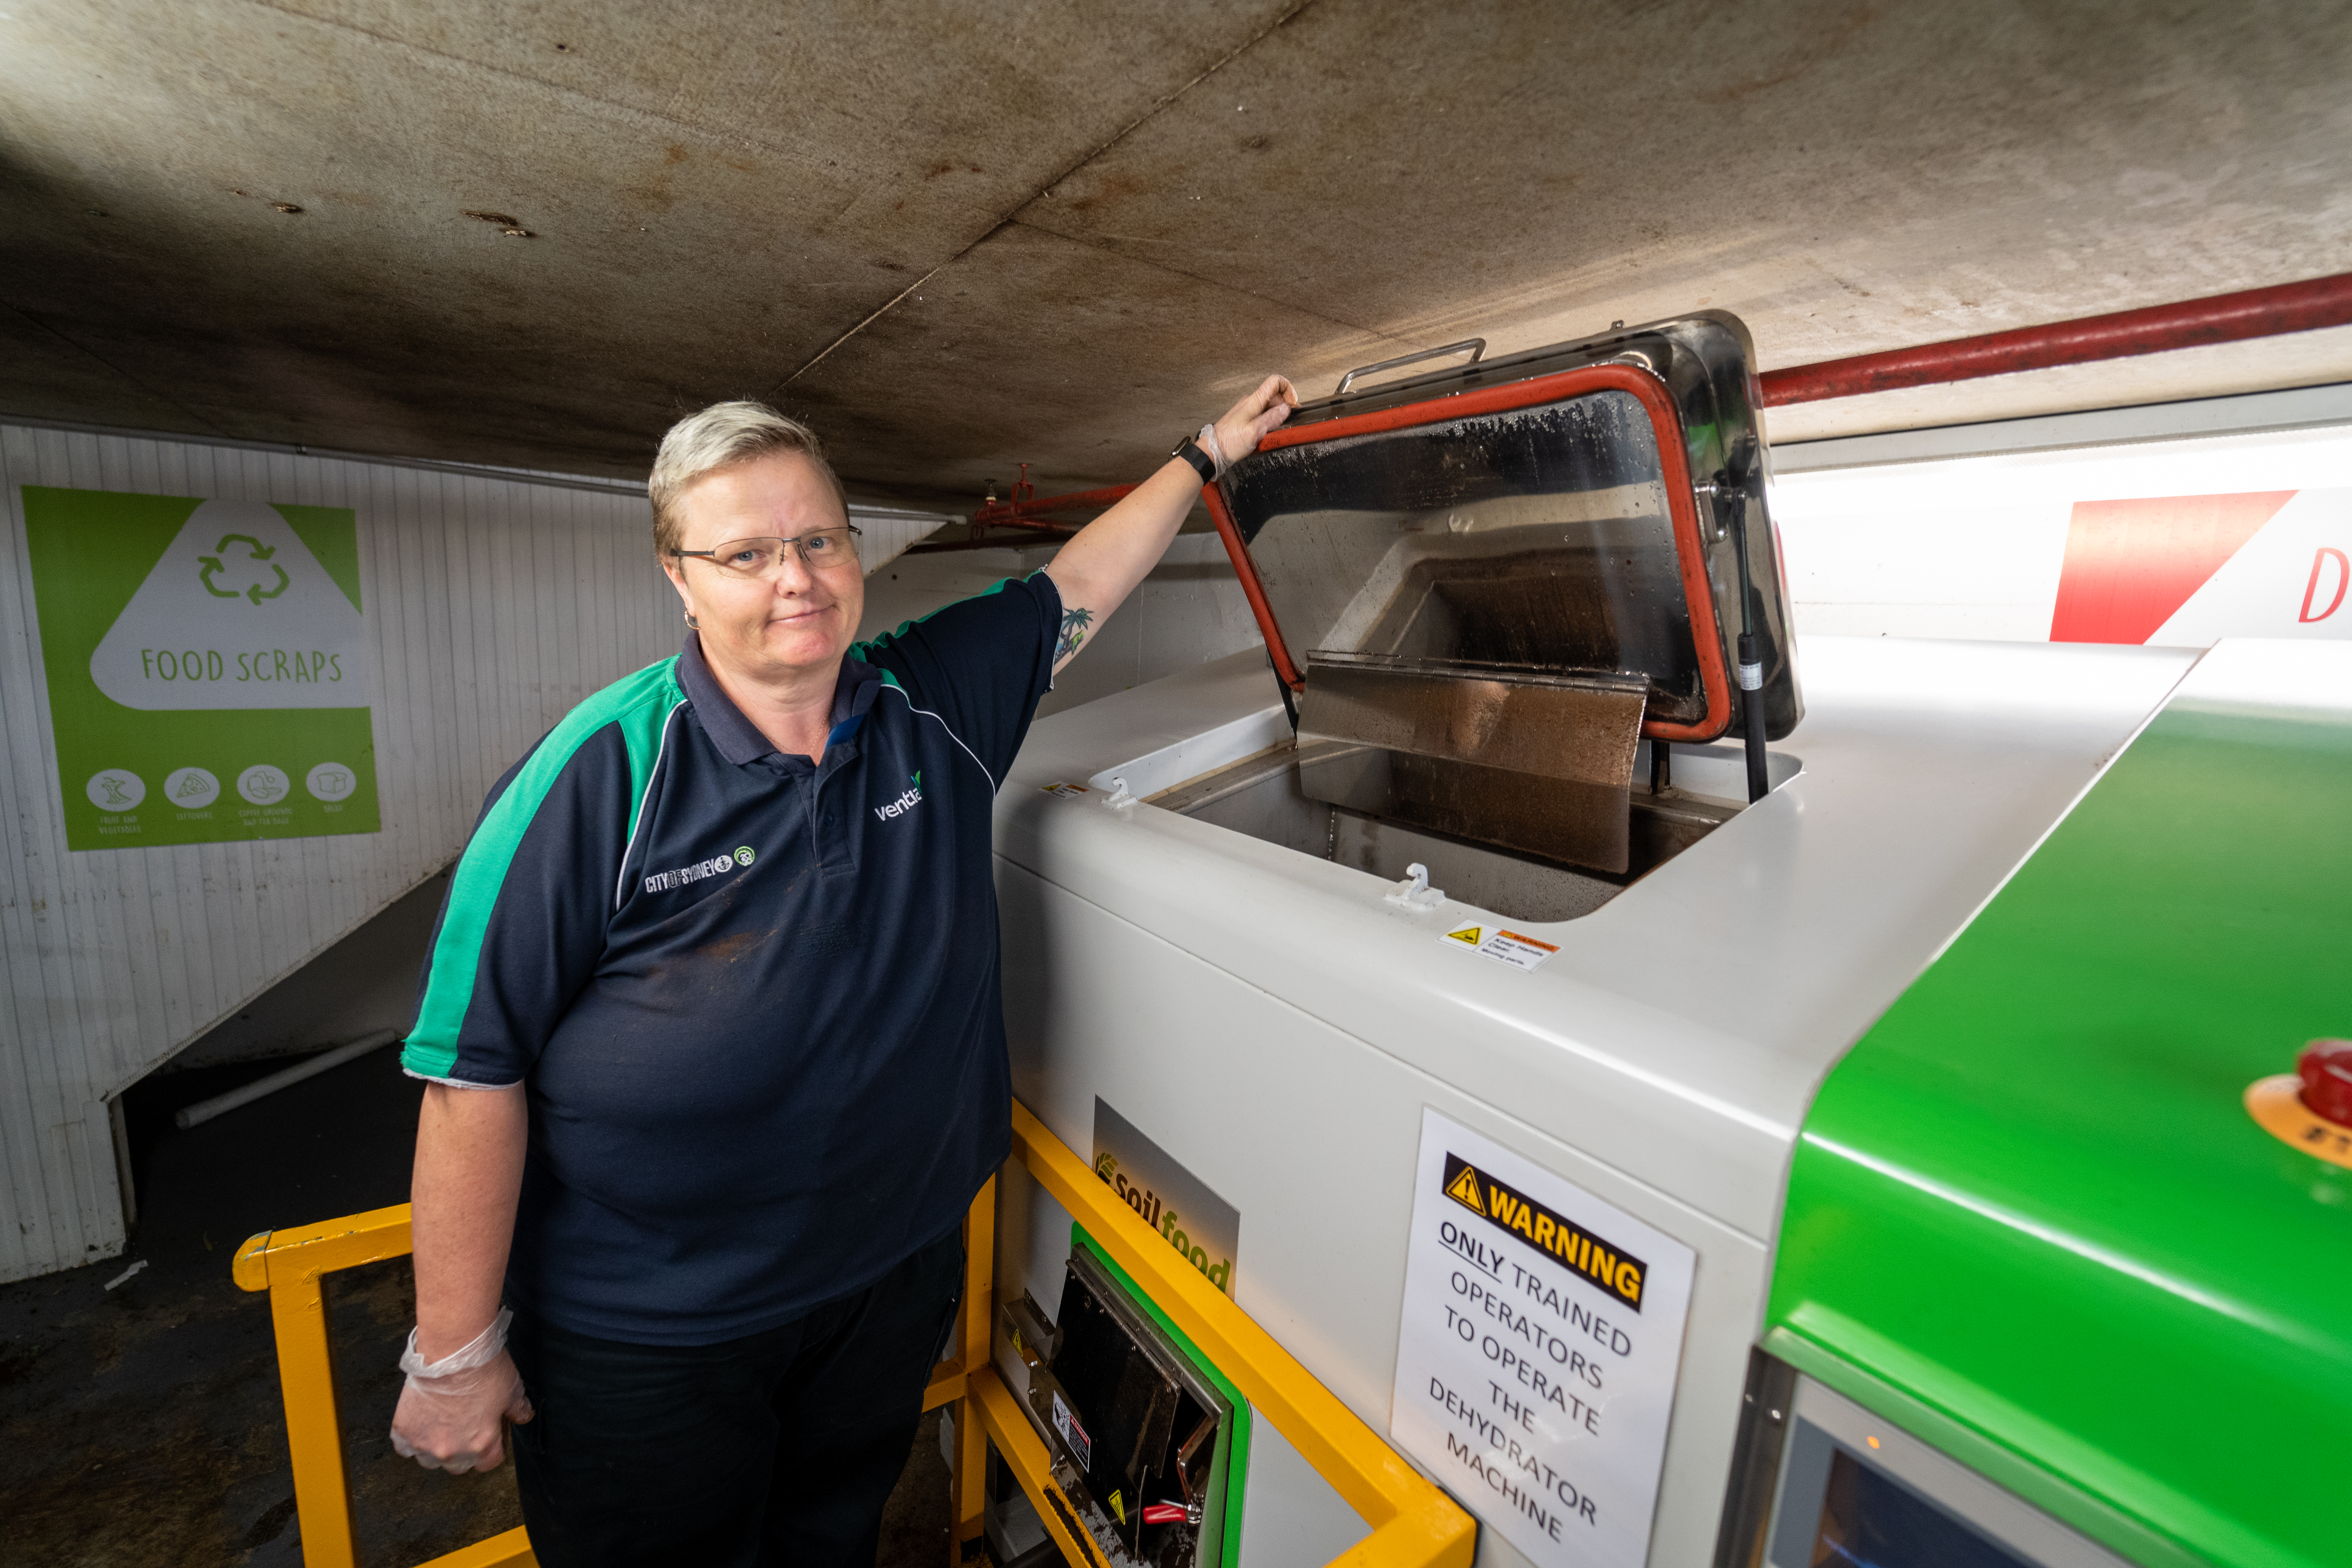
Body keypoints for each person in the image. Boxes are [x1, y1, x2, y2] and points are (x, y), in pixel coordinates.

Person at [386, 375, 1298, 1568]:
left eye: (818, 539)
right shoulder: (594, 778)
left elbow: (1076, 587)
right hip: (656, 1334)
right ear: (679, 575)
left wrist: (1207, 453)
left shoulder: (932, 701)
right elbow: (470, 1075)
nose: (795, 580)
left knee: (831, 1540)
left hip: (884, 1283)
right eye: (747, 552)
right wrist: (453, 1353)